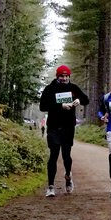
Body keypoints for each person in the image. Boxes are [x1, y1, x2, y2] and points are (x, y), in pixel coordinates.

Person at [38, 65, 90, 197]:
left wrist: (78, 99)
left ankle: (68, 176)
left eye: (67, 76)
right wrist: (60, 105)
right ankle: (50, 186)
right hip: (54, 126)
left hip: (68, 127)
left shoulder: (73, 88)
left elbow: (86, 100)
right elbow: (43, 106)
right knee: (54, 155)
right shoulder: (50, 89)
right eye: (62, 76)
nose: (64, 78)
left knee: (67, 156)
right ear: (57, 76)